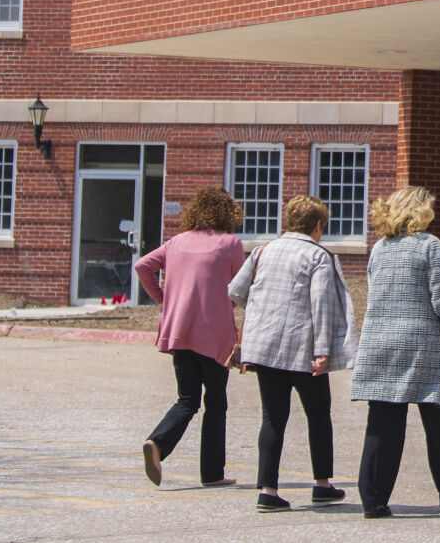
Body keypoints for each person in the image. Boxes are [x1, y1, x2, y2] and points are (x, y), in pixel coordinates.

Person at [348, 185, 440, 519]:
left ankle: (374, 500)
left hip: (380, 341)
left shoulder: (380, 248)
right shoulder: (429, 245)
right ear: (420, 210)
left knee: (383, 419)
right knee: (435, 413)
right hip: (420, 342)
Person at [228, 195, 355, 512]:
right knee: (318, 414)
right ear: (317, 224)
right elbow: (321, 306)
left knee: (273, 418)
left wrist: (262, 311)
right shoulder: (318, 256)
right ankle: (322, 484)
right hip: (302, 350)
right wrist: (323, 351)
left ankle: (267, 490)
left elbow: (234, 291)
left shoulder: (263, 250)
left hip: (265, 348)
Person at [133, 186, 248, 489]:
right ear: (228, 213)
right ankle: (211, 473)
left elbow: (142, 265)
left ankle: (156, 443)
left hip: (179, 330)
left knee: (187, 399)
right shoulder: (230, 243)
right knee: (215, 402)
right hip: (215, 335)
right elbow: (242, 288)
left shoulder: (176, 242)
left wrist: (164, 299)